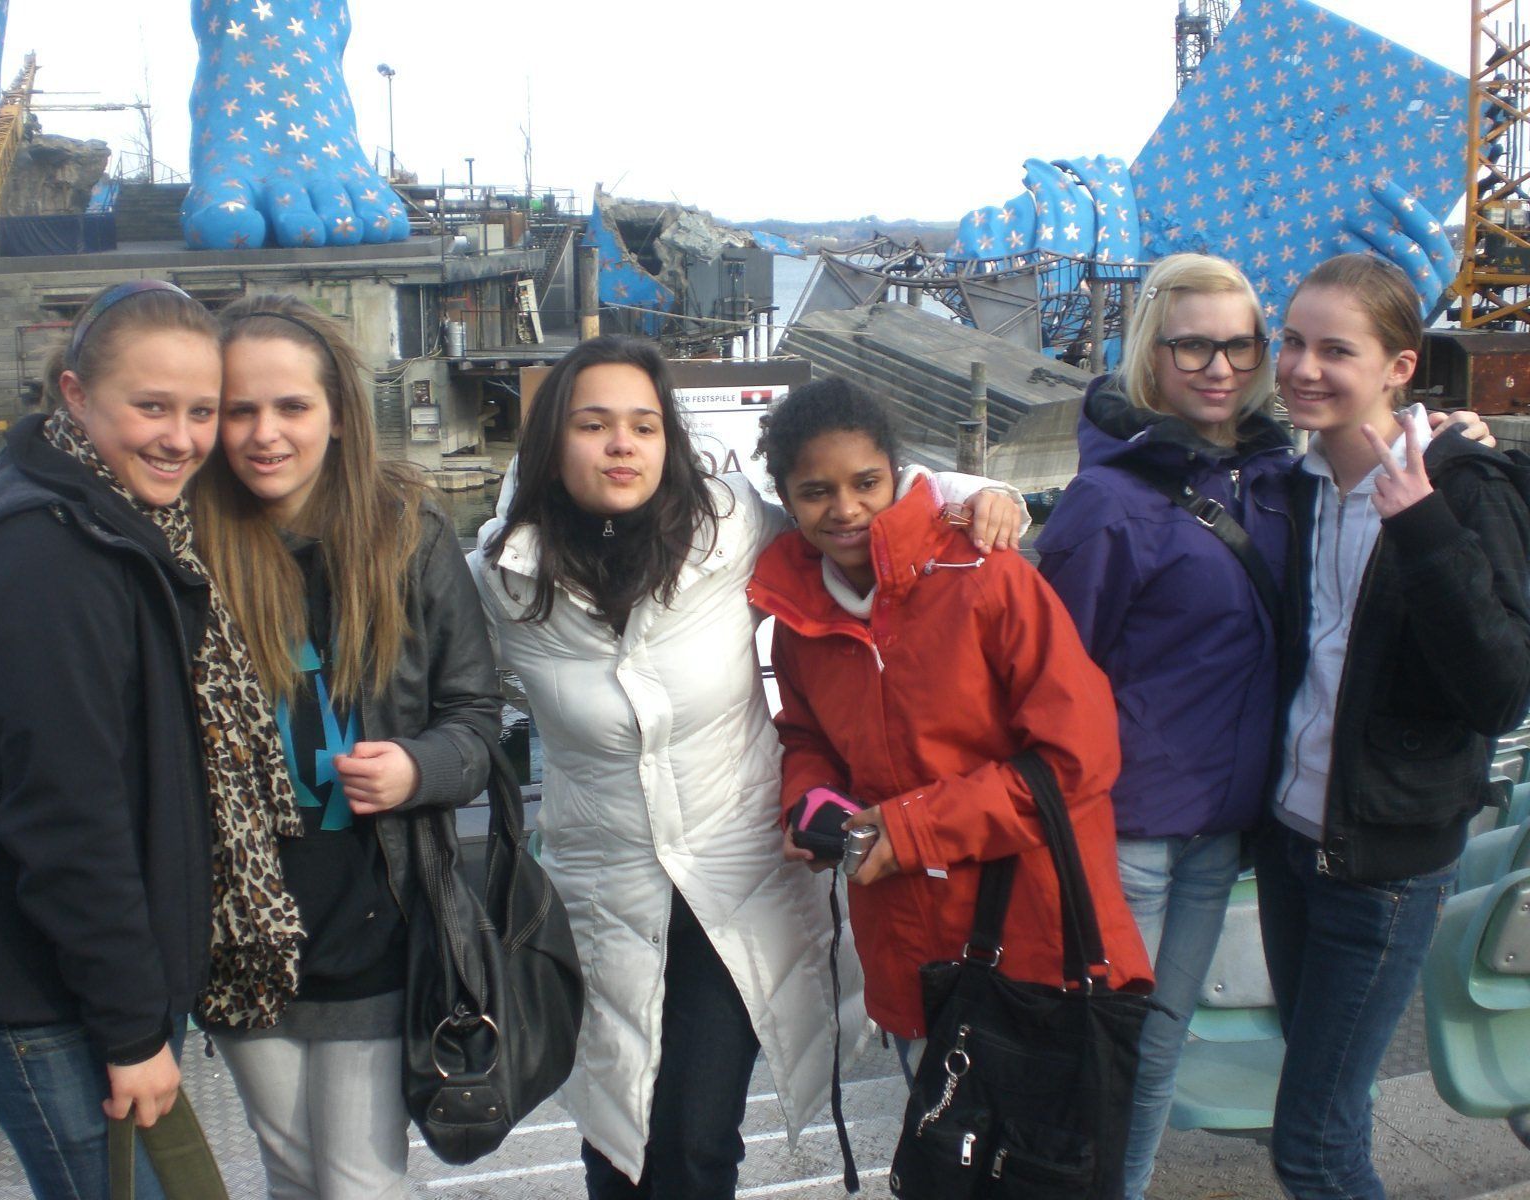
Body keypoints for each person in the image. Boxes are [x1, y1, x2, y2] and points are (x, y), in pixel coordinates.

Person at [467, 334, 1026, 1199]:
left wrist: (978, 494)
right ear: (552, 441)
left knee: (695, 1140)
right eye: (594, 424)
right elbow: (439, 682)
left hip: (734, 880)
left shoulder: (727, 526)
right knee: (616, 1139)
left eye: (644, 425)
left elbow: (845, 497)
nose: (622, 445)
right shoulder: (502, 577)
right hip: (601, 892)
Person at [0, 279, 277, 1199]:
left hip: (83, 979)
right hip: (50, 994)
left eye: (201, 411)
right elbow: (67, 813)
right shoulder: (51, 559)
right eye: (151, 407)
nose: (182, 439)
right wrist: (131, 1030)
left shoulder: (114, 521)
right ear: (76, 396)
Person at [747, 376, 1152, 1091]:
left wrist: (911, 830)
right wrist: (808, 802)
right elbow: (807, 736)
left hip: (1033, 932)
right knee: (938, 1130)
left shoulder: (988, 579)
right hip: (906, 941)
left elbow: (1079, 758)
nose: (846, 509)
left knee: (1048, 1143)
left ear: (896, 474)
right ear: (784, 499)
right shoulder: (800, 620)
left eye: (865, 483)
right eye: (815, 492)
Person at [189, 293, 500, 1200]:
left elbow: (476, 719)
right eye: (239, 409)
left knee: (361, 1178)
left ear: (337, 414)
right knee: (290, 1172)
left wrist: (417, 769)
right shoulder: (187, 546)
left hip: (377, 913)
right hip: (240, 927)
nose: (264, 434)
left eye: (292, 406)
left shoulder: (408, 534)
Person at [1258, 252, 1530, 1200]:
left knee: (1310, 1147)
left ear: (1400, 367)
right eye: (1292, 341)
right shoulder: (1294, 482)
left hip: (1383, 863)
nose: (1303, 367)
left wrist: (1420, 524)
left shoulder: (1464, 486)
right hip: (1292, 842)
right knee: (1329, 1108)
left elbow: (1502, 691)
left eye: (1337, 349)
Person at [1034, 253, 1292, 1200]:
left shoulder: (1275, 478)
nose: (1219, 368)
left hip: (1219, 827)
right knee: (1111, 1048)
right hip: (1130, 829)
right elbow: (1056, 672)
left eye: (1239, 345)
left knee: (1158, 1049)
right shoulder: (1110, 501)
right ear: (1152, 349)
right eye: (1193, 346)